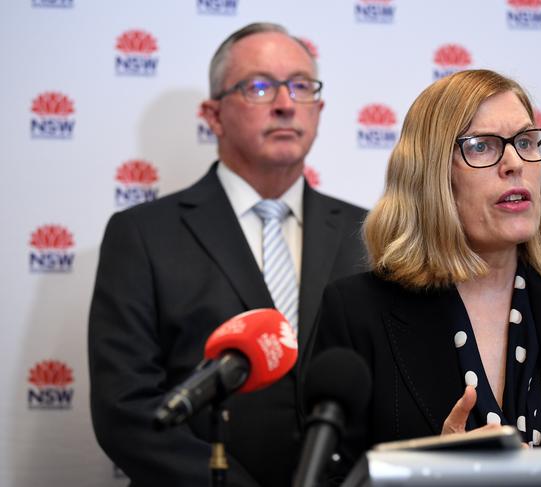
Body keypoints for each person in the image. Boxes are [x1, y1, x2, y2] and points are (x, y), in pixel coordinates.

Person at [310, 69, 541, 480]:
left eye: (525, 141)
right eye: (483, 147)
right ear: (431, 175)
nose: (515, 163)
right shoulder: (356, 312)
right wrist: (432, 475)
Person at [88, 22, 367, 487]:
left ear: (318, 109)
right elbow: (126, 409)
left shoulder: (369, 234)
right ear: (213, 115)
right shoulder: (142, 235)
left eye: (300, 86)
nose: (284, 103)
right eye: (258, 87)